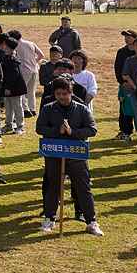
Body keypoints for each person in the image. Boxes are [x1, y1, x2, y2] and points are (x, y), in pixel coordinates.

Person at [37, 76, 103, 235]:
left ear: (70, 93)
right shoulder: (48, 108)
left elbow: (92, 130)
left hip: (76, 154)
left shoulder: (81, 109)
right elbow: (40, 128)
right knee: (53, 186)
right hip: (55, 153)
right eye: (58, 94)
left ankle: (91, 221)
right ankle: (49, 218)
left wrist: (73, 132)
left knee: (83, 187)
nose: (62, 97)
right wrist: (56, 131)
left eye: (64, 94)